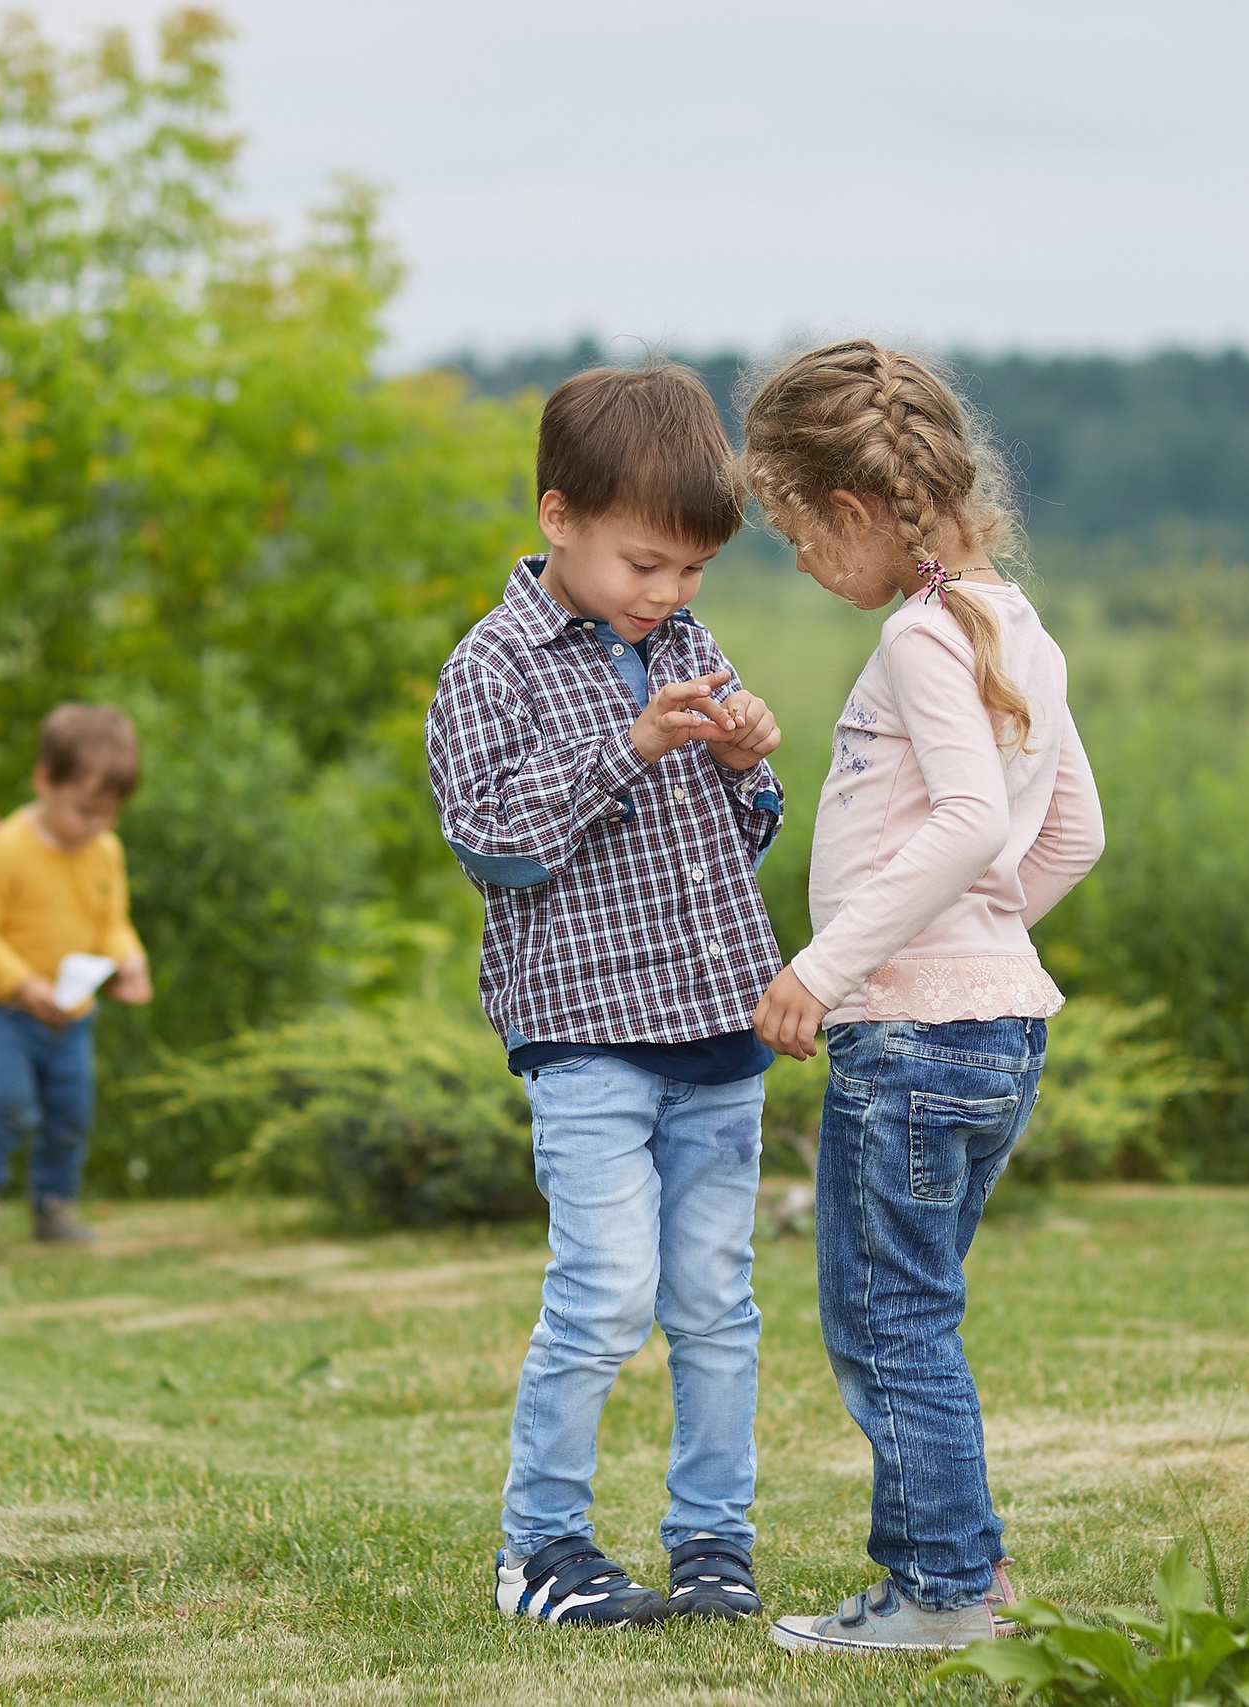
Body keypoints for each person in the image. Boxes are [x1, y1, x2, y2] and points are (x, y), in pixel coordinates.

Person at [740, 340, 1104, 1655]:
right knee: (917, 1315)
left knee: (888, 1318)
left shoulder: (918, 636)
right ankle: (969, 1574)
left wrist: (822, 967)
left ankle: (940, 1590)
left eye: (792, 528)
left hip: (910, 1033)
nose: (795, 558)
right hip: (996, 1028)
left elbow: (962, 823)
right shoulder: (1022, 628)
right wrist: (988, 946)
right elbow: (1072, 836)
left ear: (851, 509)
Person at [427, 360, 788, 1626]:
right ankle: (541, 1547)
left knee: (715, 1303)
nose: (670, 594)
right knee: (602, 1293)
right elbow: (491, 841)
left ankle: (710, 1536)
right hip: (585, 1038)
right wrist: (626, 748)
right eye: (646, 564)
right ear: (558, 517)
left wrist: (745, 768)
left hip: (713, 1027)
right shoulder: (495, 668)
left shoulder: (684, 643)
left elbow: (722, 849)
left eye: (691, 571)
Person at [0, 703, 152, 1248]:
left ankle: (54, 1207)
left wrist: (130, 960)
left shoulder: (105, 851)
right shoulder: (7, 848)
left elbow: (110, 924)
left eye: (109, 814)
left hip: (70, 1014)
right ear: (43, 780)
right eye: (85, 810)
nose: (97, 826)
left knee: (71, 1110)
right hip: (0, 1008)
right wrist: (22, 984)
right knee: (11, 1099)